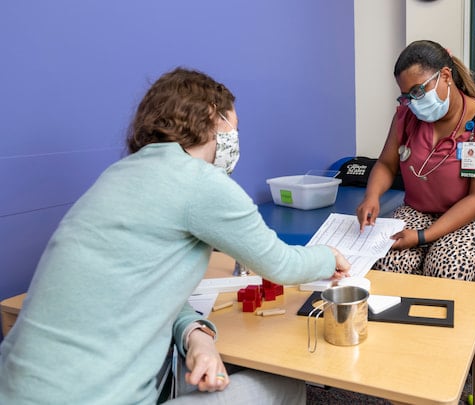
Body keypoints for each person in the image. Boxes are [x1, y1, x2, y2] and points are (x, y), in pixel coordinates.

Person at [0, 68, 351, 405]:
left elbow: (144, 287)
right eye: (234, 128)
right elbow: (281, 265)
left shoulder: (118, 175)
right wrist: (327, 256)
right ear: (215, 118)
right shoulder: (200, 182)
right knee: (285, 387)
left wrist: (194, 334)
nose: (233, 140)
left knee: (192, 371)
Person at [356, 40, 475, 281]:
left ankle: (444, 318)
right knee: (385, 259)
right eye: (407, 96)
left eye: (419, 91)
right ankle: (396, 318)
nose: (413, 102)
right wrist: (371, 196)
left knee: (446, 265)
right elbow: (386, 164)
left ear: (445, 75)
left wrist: (423, 237)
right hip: (420, 211)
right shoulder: (406, 117)